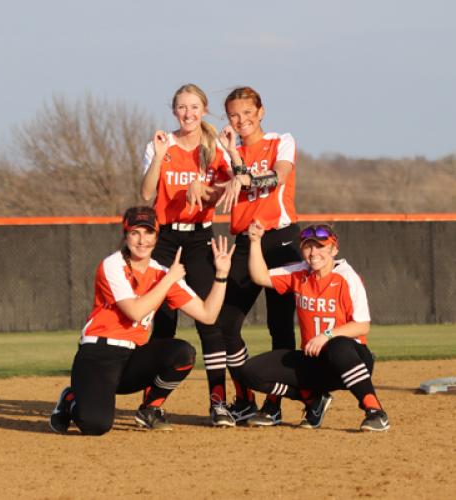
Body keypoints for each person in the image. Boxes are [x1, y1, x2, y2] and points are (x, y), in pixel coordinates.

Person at [49, 206, 235, 435]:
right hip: (98, 354)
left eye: (148, 233)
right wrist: (169, 281)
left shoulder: (162, 272)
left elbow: (208, 314)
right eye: (135, 232)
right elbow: (135, 312)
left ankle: (150, 409)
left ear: (157, 236)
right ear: (125, 235)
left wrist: (221, 274)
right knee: (96, 425)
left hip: (131, 358)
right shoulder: (112, 265)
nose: (142, 240)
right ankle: (70, 399)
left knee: (182, 354)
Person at [140, 84, 235, 427]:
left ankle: (218, 402)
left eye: (194, 107)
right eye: (182, 107)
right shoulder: (162, 143)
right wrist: (158, 153)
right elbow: (147, 192)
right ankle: (152, 403)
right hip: (164, 240)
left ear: (204, 110)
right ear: (174, 111)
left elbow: (230, 187)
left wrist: (206, 188)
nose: (188, 113)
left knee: (210, 322)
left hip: (199, 240)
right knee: (164, 321)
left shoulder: (214, 147)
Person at [242, 221, 390, 432]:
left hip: (350, 360)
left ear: (334, 249)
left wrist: (327, 336)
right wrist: (255, 241)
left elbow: (362, 325)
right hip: (314, 362)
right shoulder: (300, 273)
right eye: (307, 246)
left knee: (338, 345)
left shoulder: (347, 277)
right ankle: (313, 401)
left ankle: (375, 412)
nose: (313, 253)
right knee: (250, 372)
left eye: (320, 246)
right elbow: (260, 276)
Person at [215, 86, 301, 426]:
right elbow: (218, 187)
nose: (241, 120)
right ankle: (245, 398)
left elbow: (278, 176)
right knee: (225, 325)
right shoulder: (227, 152)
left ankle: (274, 404)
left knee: (279, 326)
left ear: (261, 112)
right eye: (234, 115)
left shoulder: (282, 141)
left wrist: (244, 173)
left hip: (279, 240)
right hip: (244, 241)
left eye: (248, 113)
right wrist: (228, 161)